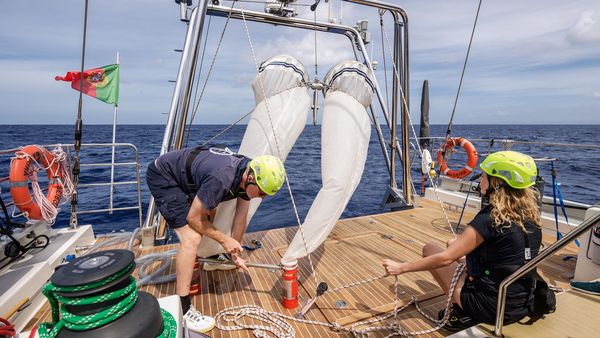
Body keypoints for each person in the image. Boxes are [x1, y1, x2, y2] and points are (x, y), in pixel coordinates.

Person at [383, 151, 542, 330]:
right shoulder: (530, 217)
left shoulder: (490, 219)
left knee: (430, 249)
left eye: (483, 176)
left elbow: (445, 259)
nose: (480, 180)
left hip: (493, 308)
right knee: (453, 243)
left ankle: (463, 311)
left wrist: (400, 268)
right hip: (521, 303)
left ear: (496, 184)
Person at [146, 146, 286, 318]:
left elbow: (240, 218)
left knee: (208, 218)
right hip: (164, 176)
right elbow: (194, 219)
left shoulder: (248, 171)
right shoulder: (222, 178)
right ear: (250, 178)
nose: (263, 197)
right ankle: (183, 308)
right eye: (262, 192)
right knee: (191, 238)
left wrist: (235, 254)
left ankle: (192, 262)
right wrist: (225, 240)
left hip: (190, 177)